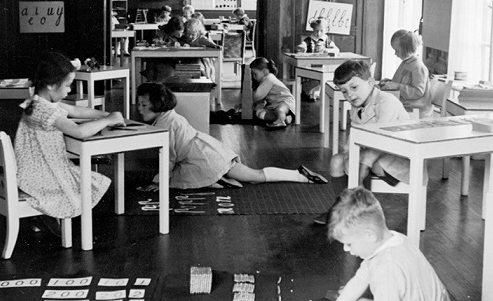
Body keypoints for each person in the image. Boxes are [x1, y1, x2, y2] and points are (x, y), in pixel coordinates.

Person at [309, 187, 450, 301]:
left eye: (349, 244)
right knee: (353, 293)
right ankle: (346, 298)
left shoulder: (386, 269)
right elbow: (360, 280)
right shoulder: (396, 239)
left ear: (370, 236)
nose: (346, 249)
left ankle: (345, 300)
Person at [136, 82, 328, 190]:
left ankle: (299, 176)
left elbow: (168, 159)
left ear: (158, 104)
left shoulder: (166, 124)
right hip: (204, 152)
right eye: (139, 104)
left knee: (253, 176)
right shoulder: (168, 118)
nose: (139, 109)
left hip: (204, 158)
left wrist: (160, 182)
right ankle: (298, 175)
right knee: (252, 176)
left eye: (144, 105)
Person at [14, 52, 125, 235]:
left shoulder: (37, 101)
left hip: (35, 168)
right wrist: (107, 121)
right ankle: (46, 214)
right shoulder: (45, 111)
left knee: (83, 182)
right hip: (42, 172)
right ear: (50, 85)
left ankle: (44, 216)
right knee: (86, 183)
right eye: (67, 85)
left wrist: (107, 115)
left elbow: (75, 110)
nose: (69, 90)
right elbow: (79, 131)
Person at [313, 60, 414, 226]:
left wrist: (357, 164)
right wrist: (348, 155)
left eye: (354, 87)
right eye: (344, 91)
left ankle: (361, 213)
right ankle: (341, 207)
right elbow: (354, 138)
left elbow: (381, 141)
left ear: (370, 83)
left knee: (358, 162)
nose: (350, 95)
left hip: (399, 161)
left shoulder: (386, 101)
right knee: (337, 160)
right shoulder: (357, 106)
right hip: (375, 157)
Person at [379, 30, 432, 118]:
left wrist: (397, 86)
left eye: (397, 51)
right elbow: (404, 82)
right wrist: (390, 82)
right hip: (404, 106)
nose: (395, 54)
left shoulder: (418, 67)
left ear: (406, 50)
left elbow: (418, 92)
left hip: (414, 110)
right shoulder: (406, 63)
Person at [249, 57, 295, 128]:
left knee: (279, 109)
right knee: (259, 113)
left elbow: (258, 95)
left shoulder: (269, 78)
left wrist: (247, 101)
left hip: (285, 101)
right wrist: (255, 108)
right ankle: (284, 118)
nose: (254, 77)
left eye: (255, 74)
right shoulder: (263, 81)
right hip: (274, 105)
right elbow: (261, 100)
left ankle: (280, 121)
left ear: (264, 72)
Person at [301, 17, 340, 101]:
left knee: (322, 78)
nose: (318, 33)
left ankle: (316, 94)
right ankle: (308, 93)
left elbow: (337, 50)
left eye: (321, 31)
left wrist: (328, 50)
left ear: (326, 30)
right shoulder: (309, 39)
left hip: (323, 65)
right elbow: (303, 45)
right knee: (312, 80)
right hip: (310, 65)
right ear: (313, 30)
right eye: (316, 30)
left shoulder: (326, 40)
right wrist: (302, 47)